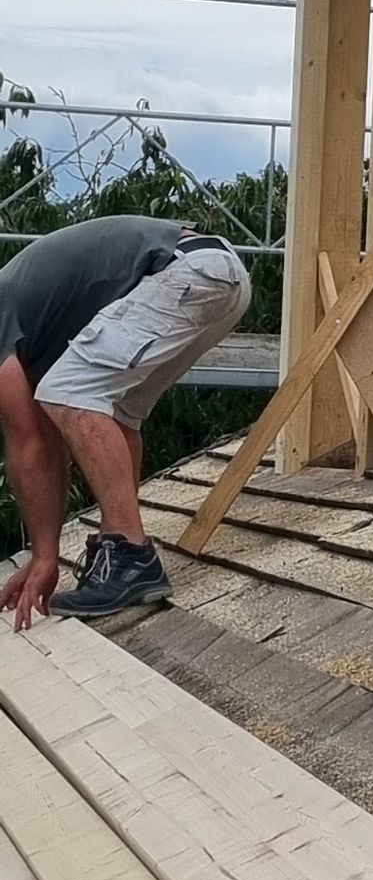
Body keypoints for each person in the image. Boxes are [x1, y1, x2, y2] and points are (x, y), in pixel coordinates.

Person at [1, 217, 253, 628]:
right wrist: (43, 556)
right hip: (216, 272)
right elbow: (51, 439)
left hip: (186, 271)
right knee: (111, 411)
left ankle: (132, 556)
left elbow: (31, 446)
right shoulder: (27, 328)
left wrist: (45, 557)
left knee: (69, 393)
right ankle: (119, 552)